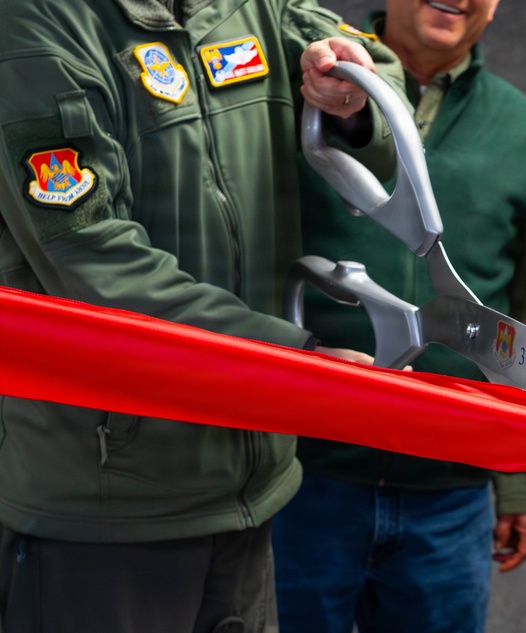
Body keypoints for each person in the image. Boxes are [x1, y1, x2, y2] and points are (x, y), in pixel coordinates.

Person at [0, 0, 406, 630]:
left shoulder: (254, 8)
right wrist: (286, 362)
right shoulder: (33, 24)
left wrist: (347, 96)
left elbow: (378, 72)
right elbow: (91, 261)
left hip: (250, 486)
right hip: (109, 506)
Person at [270, 1, 526, 631]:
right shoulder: (305, 85)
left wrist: (516, 482)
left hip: (450, 495)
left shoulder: (523, 128)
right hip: (302, 478)